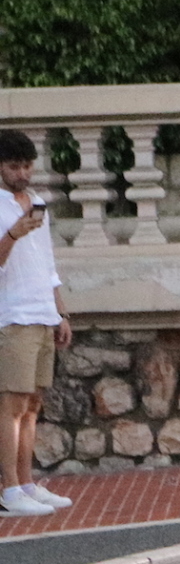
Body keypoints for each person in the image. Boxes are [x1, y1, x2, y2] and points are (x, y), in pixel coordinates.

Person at [0, 128, 73, 517]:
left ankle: (26, 483)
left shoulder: (38, 203)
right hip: (12, 317)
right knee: (10, 406)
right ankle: (8, 490)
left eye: (27, 165)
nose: (22, 173)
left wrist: (59, 312)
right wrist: (13, 233)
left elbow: (48, 266)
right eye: (14, 166)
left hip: (42, 314)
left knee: (32, 405)